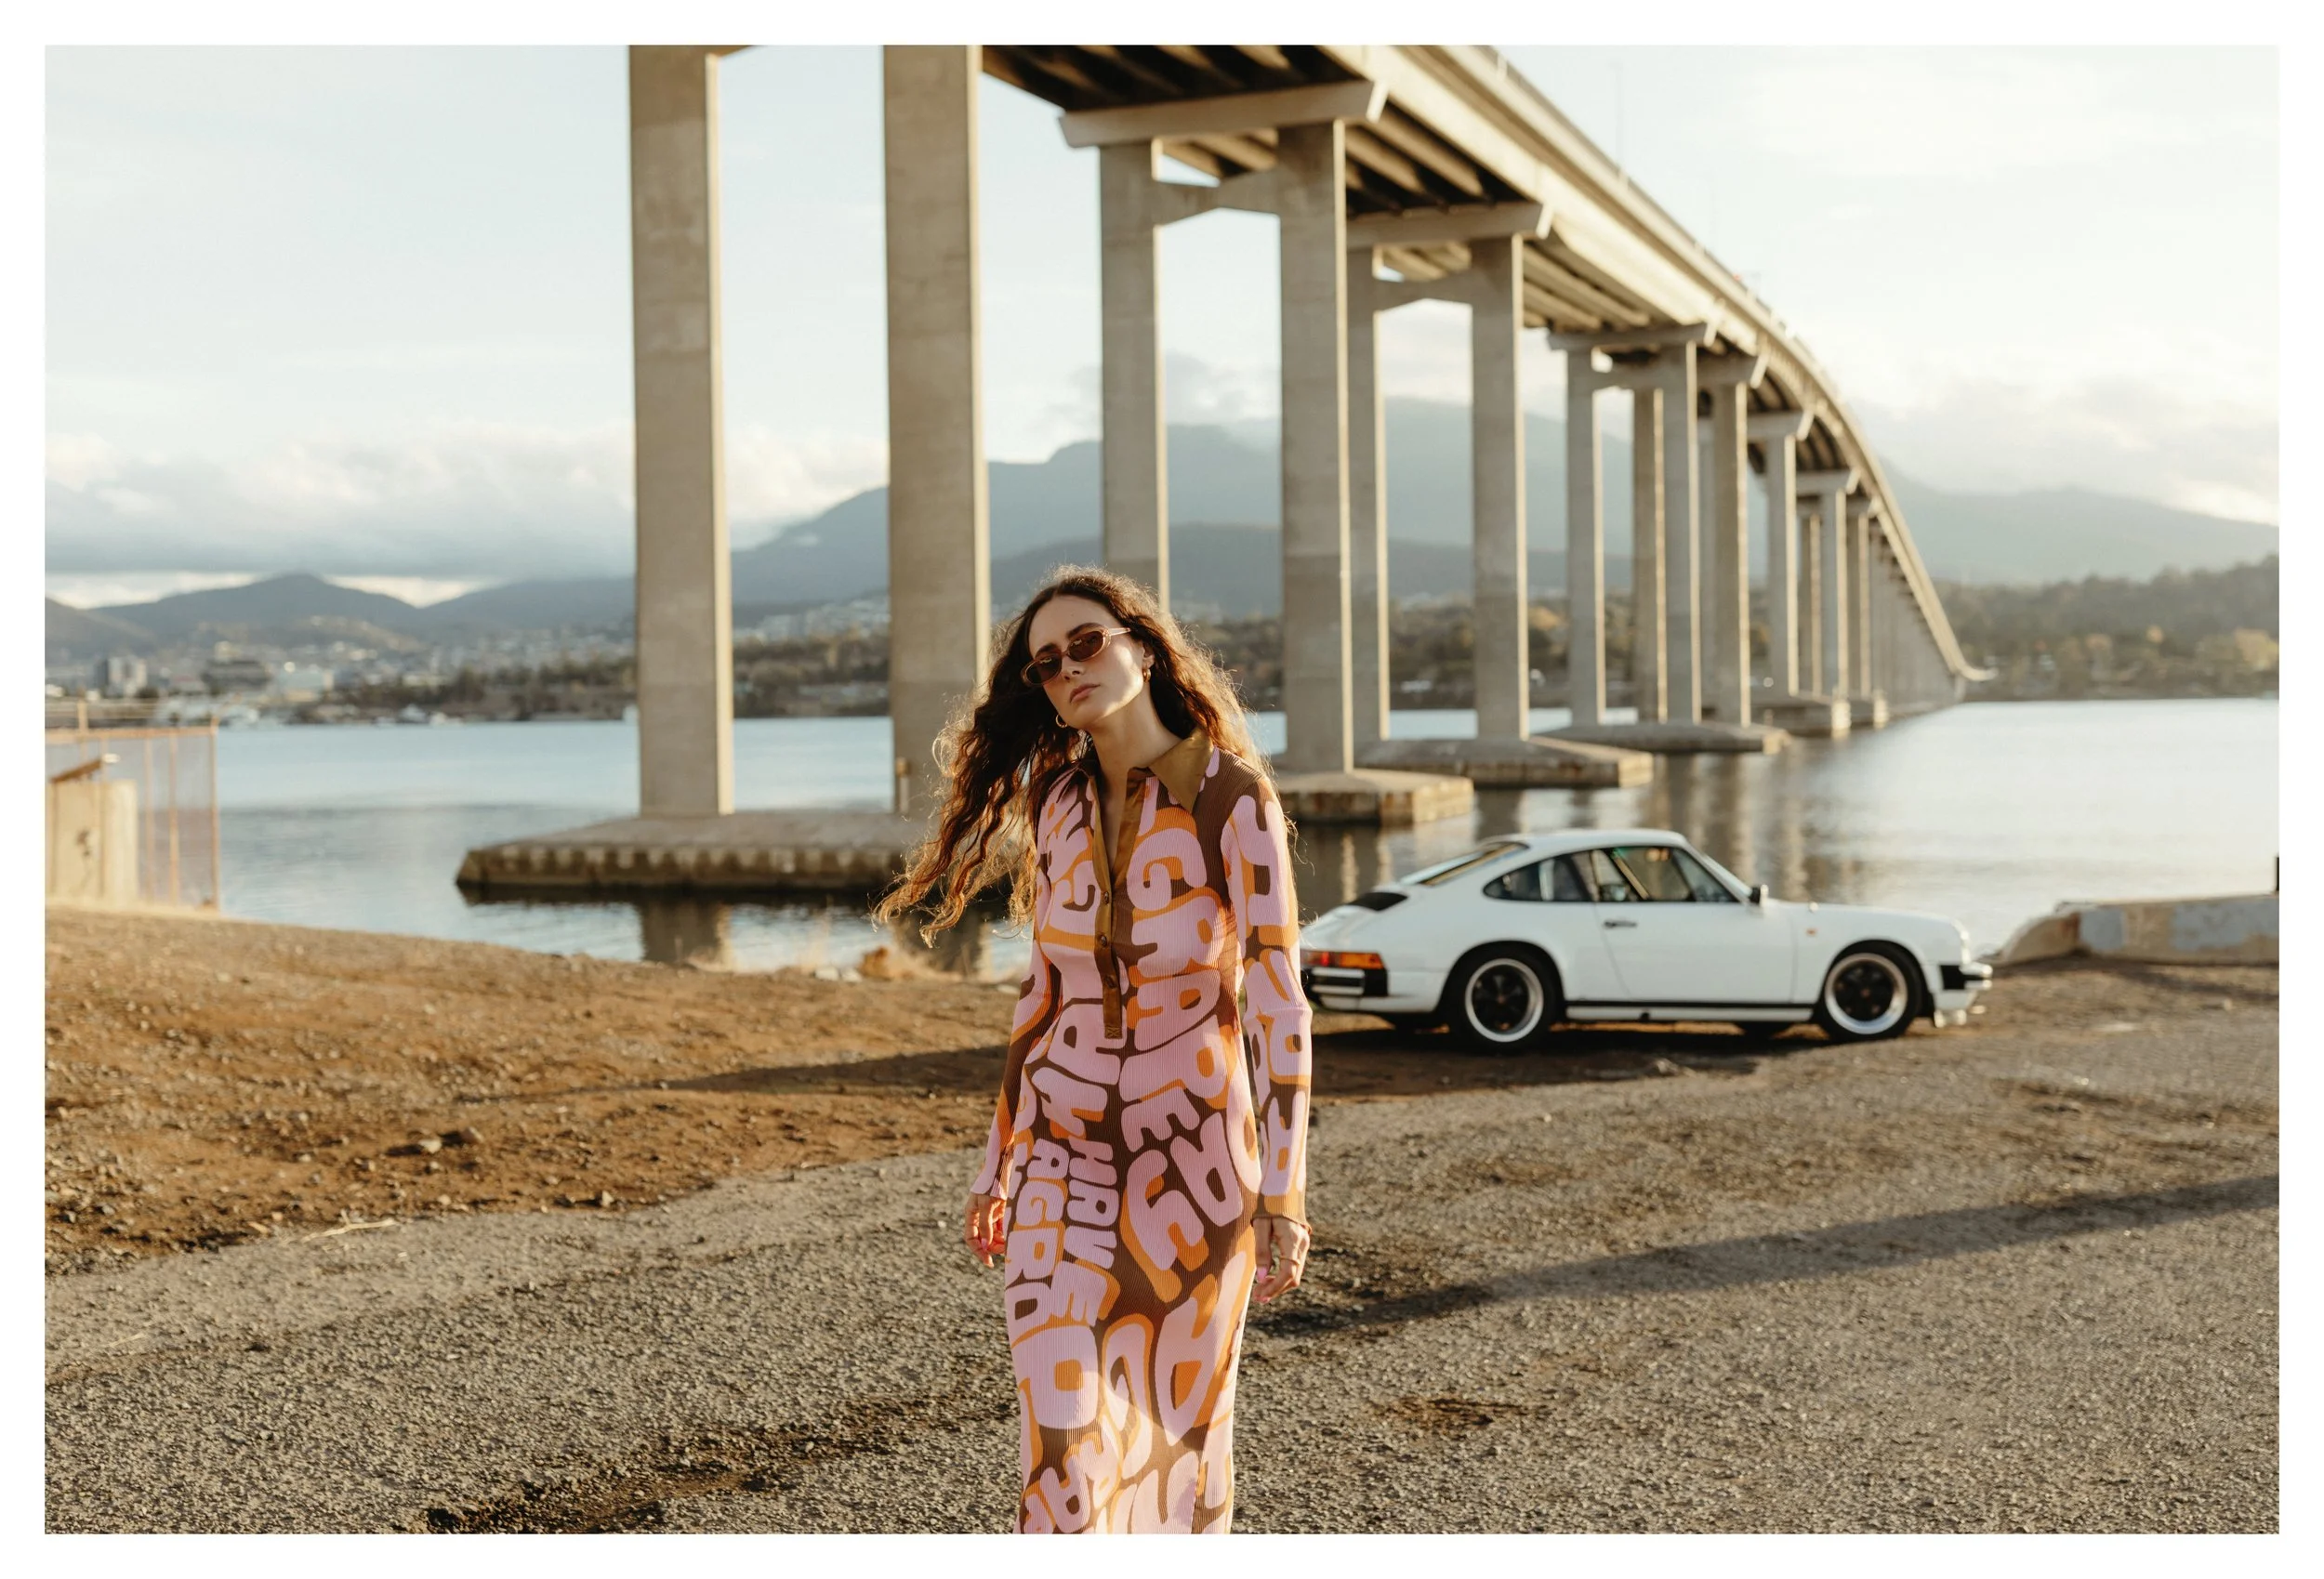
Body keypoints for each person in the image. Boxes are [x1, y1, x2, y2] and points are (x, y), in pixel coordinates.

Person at [875, 567, 1314, 1534]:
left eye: (1086, 644)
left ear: (1142, 648)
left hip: (1195, 1164)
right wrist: (995, 1162)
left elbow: (1279, 1004)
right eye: (1046, 663)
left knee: (1179, 1442)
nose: (1068, 668)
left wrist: (1283, 1195)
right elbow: (1042, 993)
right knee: (1060, 1437)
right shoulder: (1057, 803)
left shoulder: (1233, 800)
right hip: (1060, 1161)